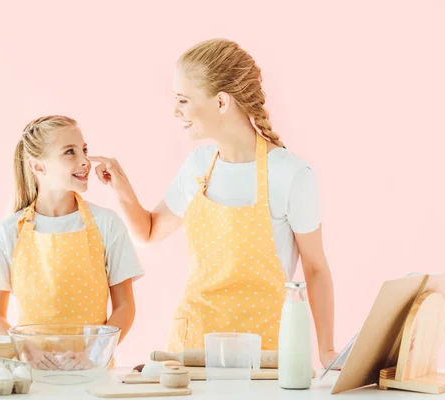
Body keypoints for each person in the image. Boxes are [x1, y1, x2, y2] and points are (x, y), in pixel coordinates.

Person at [89, 39, 338, 368]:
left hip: (266, 352)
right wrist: (121, 186)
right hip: (193, 350)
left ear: (221, 102)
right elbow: (148, 232)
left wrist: (326, 352)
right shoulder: (197, 166)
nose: (175, 111)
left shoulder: (292, 175)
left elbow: (316, 269)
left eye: (183, 100)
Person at [0, 115, 144, 370]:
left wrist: (93, 354)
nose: (84, 161)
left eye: (84, 150)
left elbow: (125, 307)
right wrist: (23, 349)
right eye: (70, 152)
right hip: (32, 377)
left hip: (93, 375)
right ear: (38, 167)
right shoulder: (8, 232)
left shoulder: (106, 224)